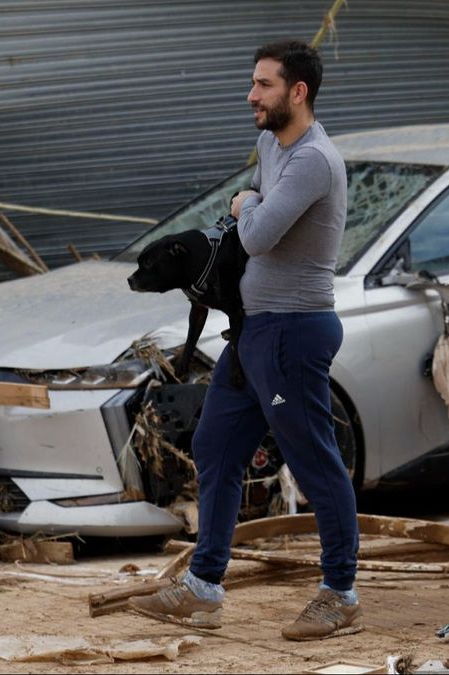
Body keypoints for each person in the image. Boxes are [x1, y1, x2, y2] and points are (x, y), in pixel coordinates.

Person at [128, 39, 360, 642]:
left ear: (297, 92)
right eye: (253, 83)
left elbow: (256, 234)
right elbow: (245, 229)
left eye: (263, 84)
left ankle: (340, 594)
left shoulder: (314, 161)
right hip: (254, 331)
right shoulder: (269, 145)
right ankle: (203, 589)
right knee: (215, 449)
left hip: (294, 331)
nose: (251, 94)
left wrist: (247, 201)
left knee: (315, 462)